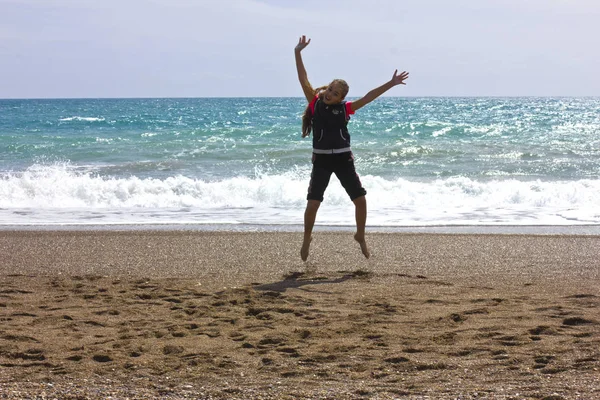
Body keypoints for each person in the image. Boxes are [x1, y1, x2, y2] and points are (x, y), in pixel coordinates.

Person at [295, 35, 409, 261]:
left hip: (343, 159)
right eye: (329, 89)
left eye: (335, 93)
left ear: (341, 99)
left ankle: (360, 235)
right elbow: (303, 78)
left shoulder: (346, 109)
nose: (329, 94)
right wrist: (297, 52)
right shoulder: (314, 102)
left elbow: (368, 97)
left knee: (360, 199)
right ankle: (307, 237)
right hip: (321, 161)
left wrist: (391, 83)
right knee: (313, 202)